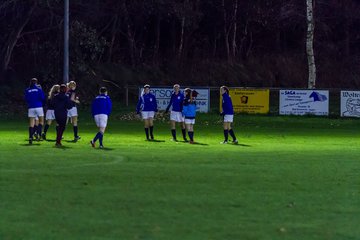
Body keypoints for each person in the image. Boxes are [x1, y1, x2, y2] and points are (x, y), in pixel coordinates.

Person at [24, 78, 45, 144]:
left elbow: (26, 98)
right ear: (36, 82)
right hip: (38, 106)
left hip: (31, 107)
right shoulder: (39, 89)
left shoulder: (27, 90)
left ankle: (30, 137)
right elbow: (42, 98)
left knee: (31, 123)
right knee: (41, 121)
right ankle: (39, 135)